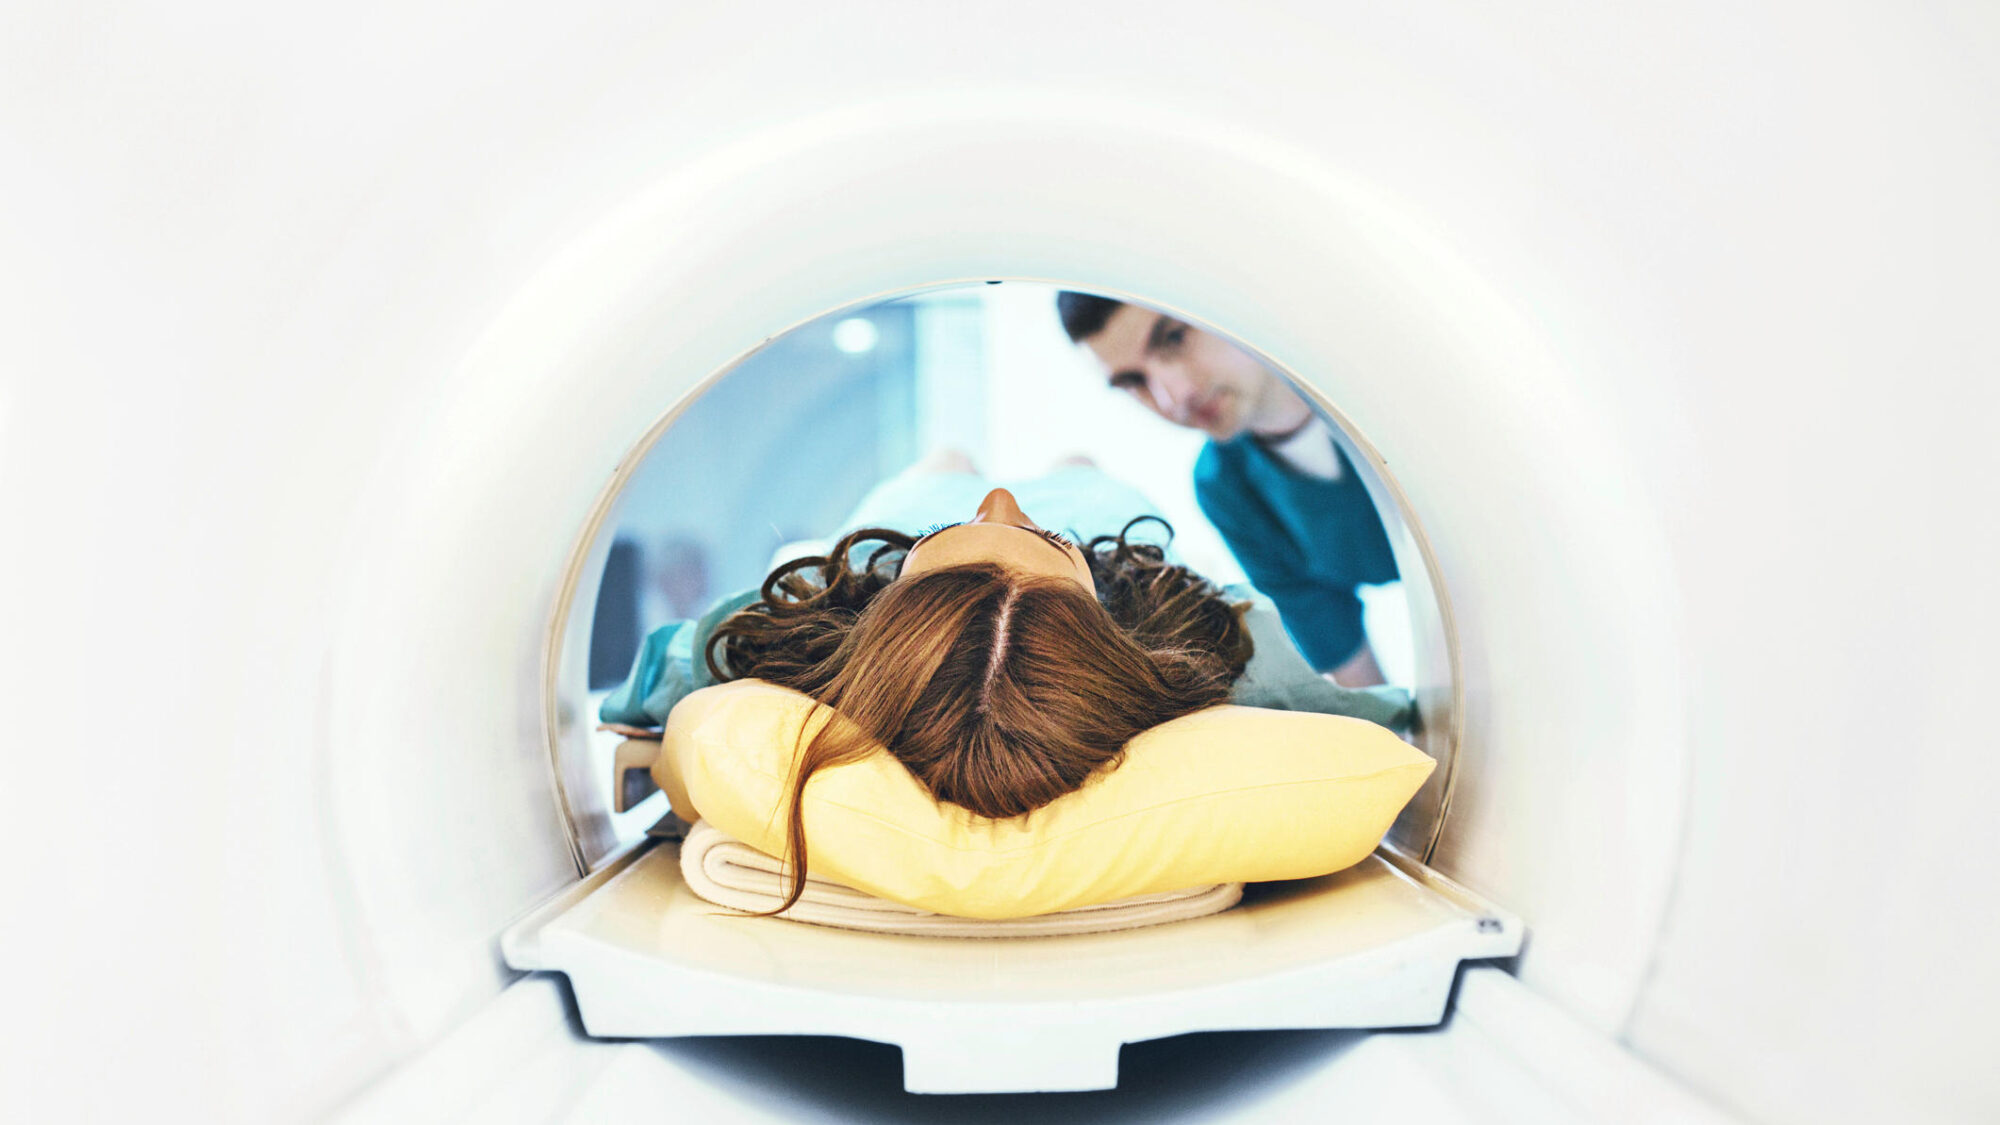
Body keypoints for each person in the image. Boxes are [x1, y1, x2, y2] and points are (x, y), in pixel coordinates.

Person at [601, 459, 1411, 913]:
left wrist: (648, 722)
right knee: (1080, 467)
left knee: (943, 467)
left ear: (881, 615)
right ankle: (1047, 510)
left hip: (909, 522)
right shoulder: (1211, 641)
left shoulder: (805, 618)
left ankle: (941, 512)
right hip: (1103, 529)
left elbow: (650, 692)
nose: (1001, 501)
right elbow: (1373, 720)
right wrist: (1060, 542)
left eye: (969, 531)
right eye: (1035, 538)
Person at [1056, 292, 1399, 686]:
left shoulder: (1384, 363)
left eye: (1173, 337)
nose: (1174, 397)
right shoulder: (1225, 487)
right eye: (1135, 381)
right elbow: (1350, 665)